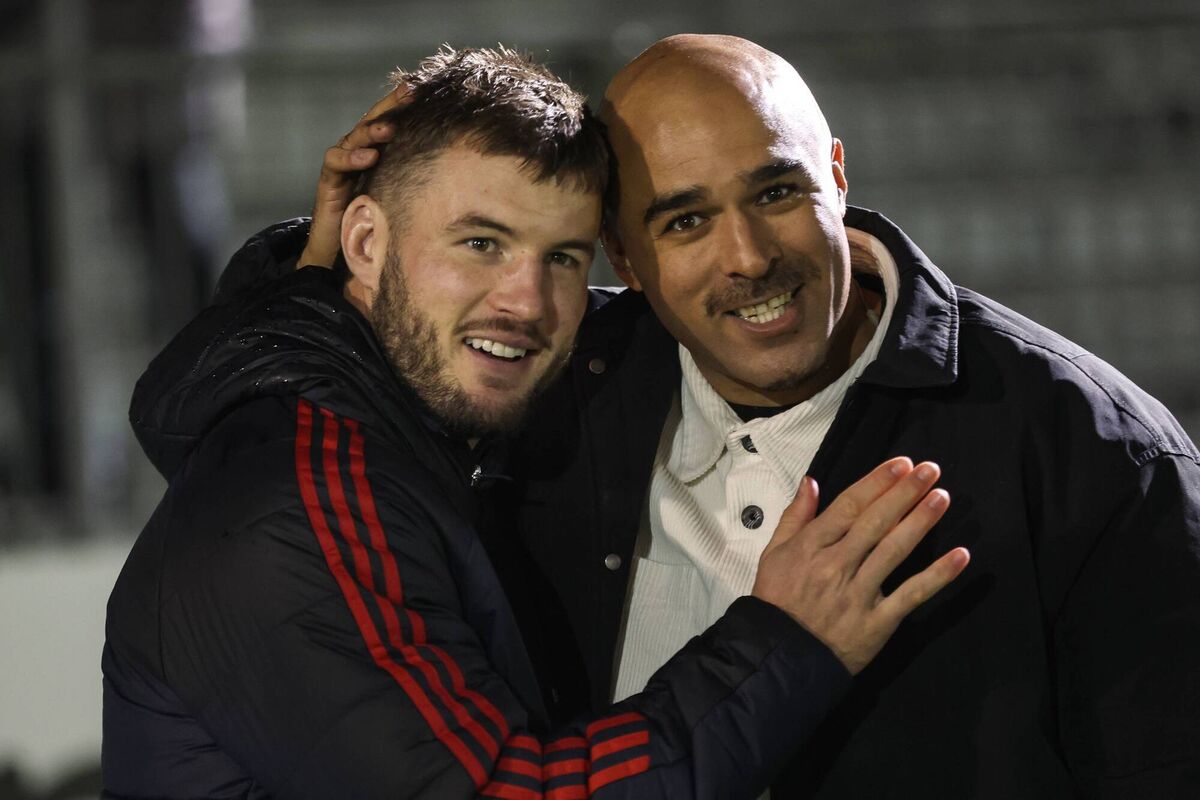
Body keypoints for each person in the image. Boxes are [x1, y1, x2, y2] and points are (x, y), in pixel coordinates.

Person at [299, 35, 1200, 799]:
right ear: (625, 253)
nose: (748, 258)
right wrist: (310, 277)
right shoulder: (549, 381)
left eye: (776, 193)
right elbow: (270, 420)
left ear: (837, 176)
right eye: (685, 222)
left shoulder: (1097, 452)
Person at [101, 47, 968, 799]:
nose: (528, 302)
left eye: (561, 258)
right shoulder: (296, 503)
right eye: (481, 243)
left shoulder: (392, 424)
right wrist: (787, 644)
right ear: (365, 245)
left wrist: (308, 272)